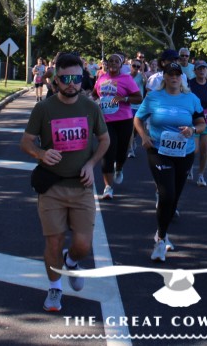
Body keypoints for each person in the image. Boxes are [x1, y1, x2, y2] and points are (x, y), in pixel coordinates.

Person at [19, 53, 110, 313]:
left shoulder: (91, 108)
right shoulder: (44, 109)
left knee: (82, 245)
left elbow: (104, 140)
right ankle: (55, 287)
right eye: (66, 79)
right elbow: (26, 142)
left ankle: (71, 262)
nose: (72, 84)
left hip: (81, 186)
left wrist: (91, 164)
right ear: (56, 80)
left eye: (76, 79)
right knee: (54, 242)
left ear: (83, 79)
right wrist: (40, 153)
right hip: (52, 186)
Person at [133, 59, 206, 261]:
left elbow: (201, 122)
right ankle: (160, 240)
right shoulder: (153, 97)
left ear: (181, 77)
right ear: (164, 77)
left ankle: (161, 233)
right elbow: (138, 118)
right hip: (158, 150)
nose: (174, 77)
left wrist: (193, 130)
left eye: (177, 75)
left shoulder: (191, 98)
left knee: (174, 198)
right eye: (170, 74)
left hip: (184, 153)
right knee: (167, 194)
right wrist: (143, 136)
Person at [94, 54, 143, 200]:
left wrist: (124, 98)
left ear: (121, 65)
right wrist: (89, 99)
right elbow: (94, 94)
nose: (113, 63)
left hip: (124, 121)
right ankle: (108, 187)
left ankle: (119, 168)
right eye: (111, 61)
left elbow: (139, 98)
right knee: (108, 151)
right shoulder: (101, 78)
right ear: (107, 64)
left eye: (117, 61)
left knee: (121, 152)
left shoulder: (126, 79)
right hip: (106, 121)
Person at [188, 60, 207, 186]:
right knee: (194, 149)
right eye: (199, 69)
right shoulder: (190, 84)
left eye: (204, 68)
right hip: (193, 119)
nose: (202, 71)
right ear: (195, 71)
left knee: (205, 149)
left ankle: (201, 175)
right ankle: (189, 167)